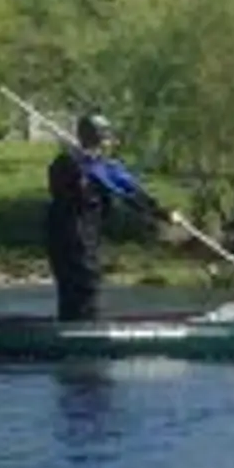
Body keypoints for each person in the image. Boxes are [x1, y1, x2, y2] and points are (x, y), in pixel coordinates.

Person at [45, 112, 181, 322]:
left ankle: (77, 327)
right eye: (106, 138)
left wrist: (162, 212)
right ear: (97, 138)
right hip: (69, 236)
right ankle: (78, 333)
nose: (109, 143)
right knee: (81, 282)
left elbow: (131, 192)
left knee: (85, 284)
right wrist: (79, 166)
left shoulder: (104, 167)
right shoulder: (68, 163)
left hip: (87, 236)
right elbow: (59, 186)